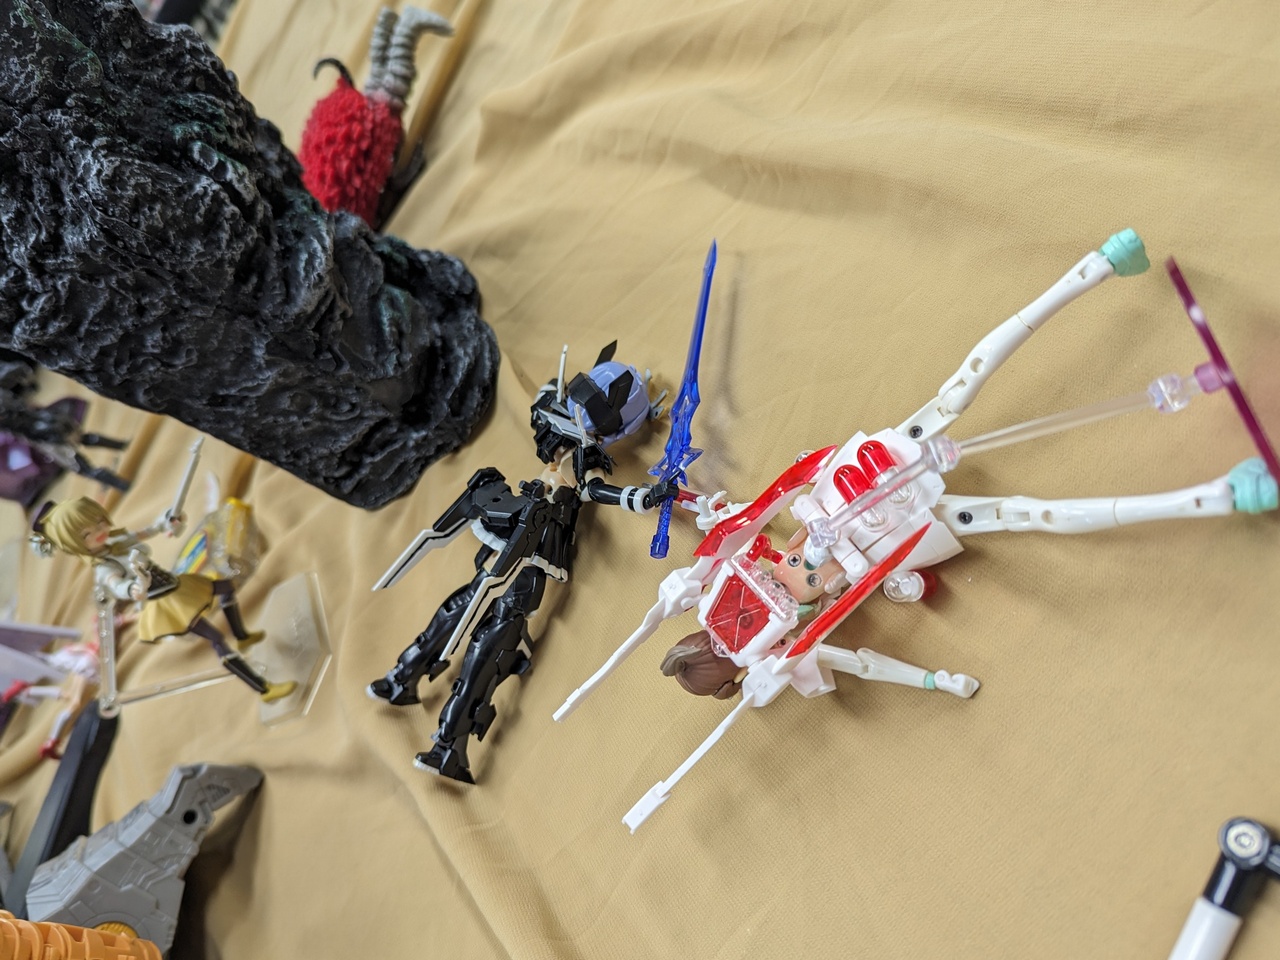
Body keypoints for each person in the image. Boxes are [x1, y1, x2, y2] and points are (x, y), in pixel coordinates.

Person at [31, 497, 295, 703]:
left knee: (226, 587)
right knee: (216, 639)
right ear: (74, 545)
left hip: (177, 585)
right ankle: (264, 689)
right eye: (86, 534)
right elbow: (115, 585)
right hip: (167, 604)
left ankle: (242, 635)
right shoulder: (104, 567)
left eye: (99, 522)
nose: (99, 531)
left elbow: (147, 531)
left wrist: (167, 522)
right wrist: (132, 588)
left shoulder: (116, 540)